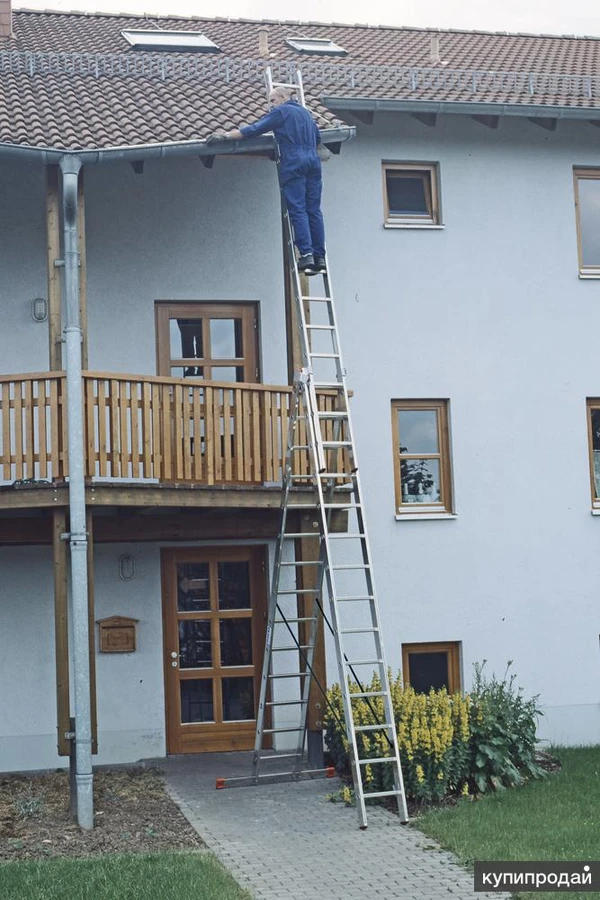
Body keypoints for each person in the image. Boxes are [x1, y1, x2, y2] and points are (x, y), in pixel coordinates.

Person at [207, 87, 327, 275]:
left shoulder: (281, 111)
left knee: (298, 208)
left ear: (283, 97)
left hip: (294, 160)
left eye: (272, 100)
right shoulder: (306, 113)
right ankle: (320, 256)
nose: (269, 105)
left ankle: (307, 255)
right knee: (314, 210)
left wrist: (226, 136)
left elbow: (255, 129)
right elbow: (318, 138)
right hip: (313, 161)